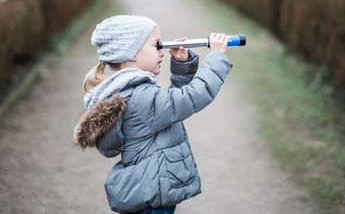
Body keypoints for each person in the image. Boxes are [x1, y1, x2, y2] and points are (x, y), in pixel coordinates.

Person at [73, 15, 233, 213]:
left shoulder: (128, 92)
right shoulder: (142, 96)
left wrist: (182, 66)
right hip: (153, 198)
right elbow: (189, 98)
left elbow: (172, 109)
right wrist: (216, 56)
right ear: (132, 53)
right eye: (157, 45)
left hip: (148, 191)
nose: (163, 52)